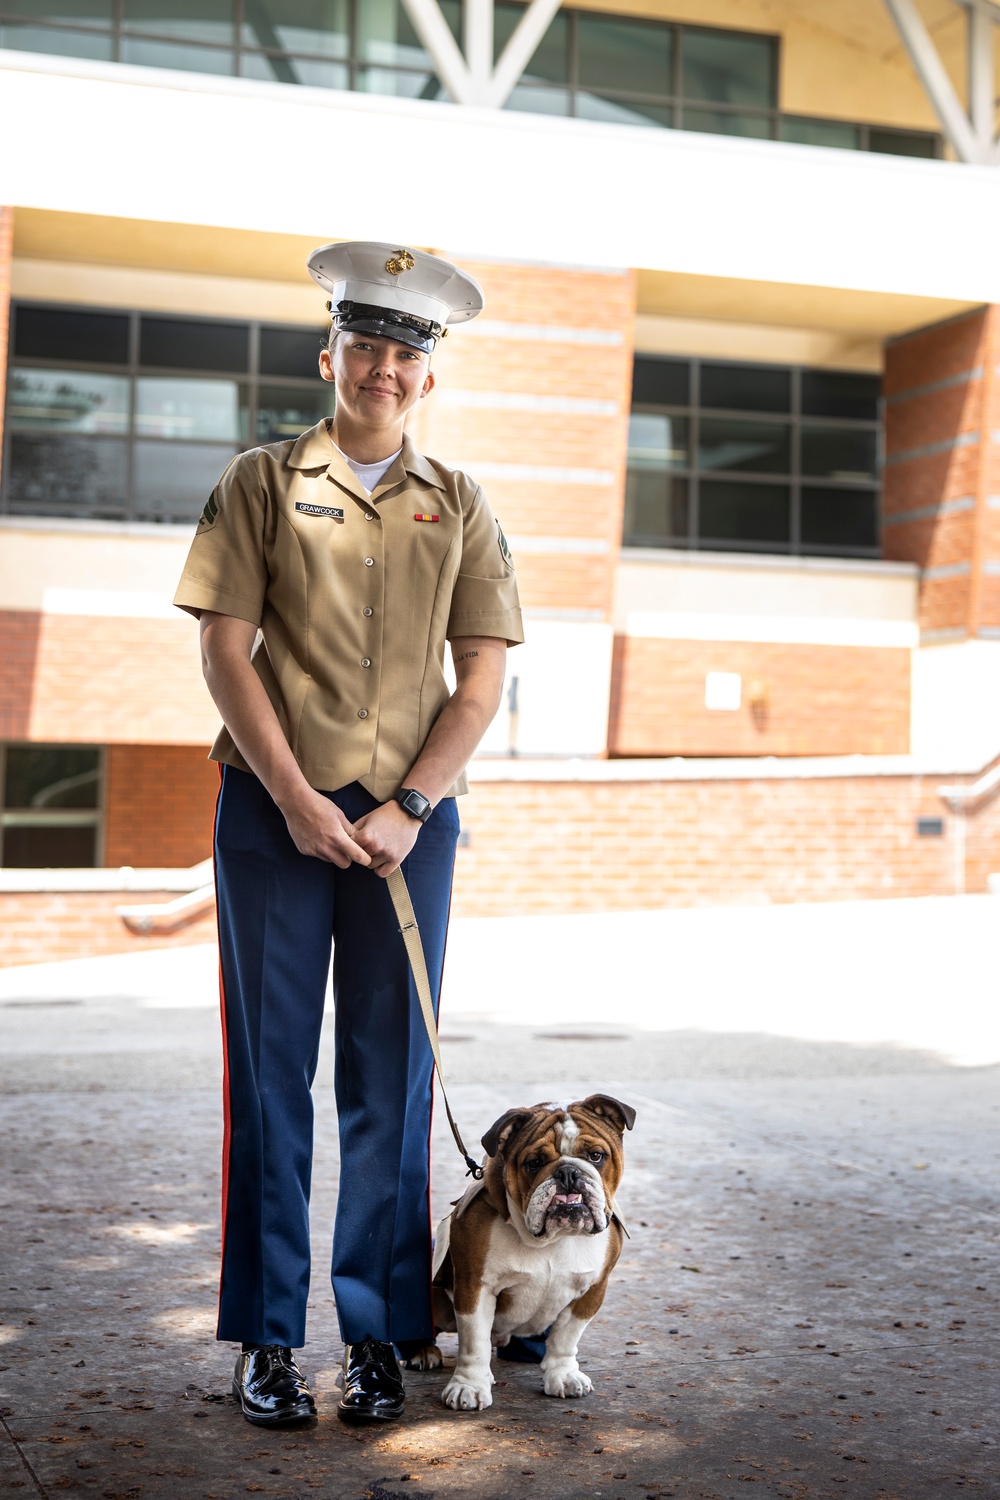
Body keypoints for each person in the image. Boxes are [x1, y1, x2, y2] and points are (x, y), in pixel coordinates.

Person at [173, 241, 523, 1426]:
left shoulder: (460, 502)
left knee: (394, 1082)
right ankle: (267, 1339)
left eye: (405, 352)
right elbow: (225, 650)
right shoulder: (261, 483)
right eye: (363, 344)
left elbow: (480, 679)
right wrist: (298, 799)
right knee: (270, 1084)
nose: (382, 367)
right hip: (274, 821)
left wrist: (409, 806)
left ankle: (378, 1334)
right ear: (330, 355)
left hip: (405, 834)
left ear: (428, 379)